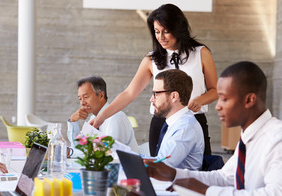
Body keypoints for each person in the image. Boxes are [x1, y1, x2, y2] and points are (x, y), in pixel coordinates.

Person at [144, 61, 282, 196]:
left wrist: (206, 191)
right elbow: (226, 178)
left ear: (249, 100)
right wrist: (174, 174)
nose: (217, 106)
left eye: (224, 99)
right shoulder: (249, 136)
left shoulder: (281, 138)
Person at [89, 3, 218, 157]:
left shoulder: (200, 53)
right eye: (157, 32)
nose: (161, 37)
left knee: (201, 171)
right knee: (159, 175)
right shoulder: (151, 59)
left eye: (166, 31)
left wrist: (200, 100)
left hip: (194, 122)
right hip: (161, 125)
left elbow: (215, 91)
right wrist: (101, 117)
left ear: (178, 28)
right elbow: (129, 93)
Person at [148, 69, 204, 170]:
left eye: (156, 93)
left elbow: (161, 166)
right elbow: (159, 160)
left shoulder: (184, 128)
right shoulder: (175, 123)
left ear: (174, 96)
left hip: (176, 184)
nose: (151, 99)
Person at [67, 76, 139, 154]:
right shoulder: (92, 118)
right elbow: (80, 148)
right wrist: (73, 121)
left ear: (101, 96)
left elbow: (112, 154)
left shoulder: (116, 117)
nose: (82, 103)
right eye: (80, 99)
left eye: (86, 97)